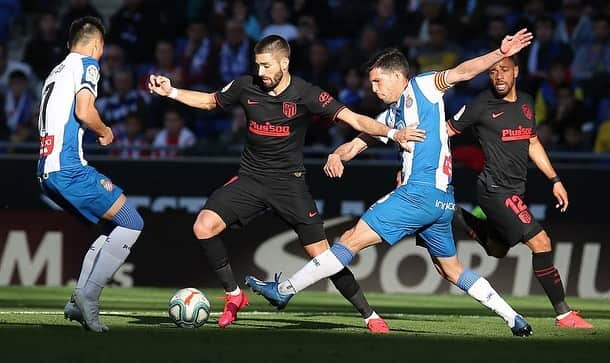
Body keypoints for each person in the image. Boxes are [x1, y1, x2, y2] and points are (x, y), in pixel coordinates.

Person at [245, 29, 536, 336]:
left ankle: (285, 290)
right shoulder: (394, 113)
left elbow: (462, 72)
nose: (373, 89)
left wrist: (500, 53)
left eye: (377, 81)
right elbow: (364, 138)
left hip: (418, 194)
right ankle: (512, 317)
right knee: (451, 270)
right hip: (442, 201)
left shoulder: (424, 86)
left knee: (350, 239)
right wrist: (339, 154)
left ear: (398, 76)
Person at [147, 35, 422, 333]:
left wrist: (393, 134)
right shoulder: (245, 85)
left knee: (324, 256)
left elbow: (353, 119)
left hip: (289, 186)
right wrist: (171, 91)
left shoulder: (306, 93)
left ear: (284, 63)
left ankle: (370, 316)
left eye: (266, 66)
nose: (261, 72)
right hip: (251, 179)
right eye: (258, 66)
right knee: (203, 226)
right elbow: (210, 101)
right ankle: (234, 296)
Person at [445, 56, 593, 328]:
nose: (498, 76)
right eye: (492, 71)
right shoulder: (480, 105)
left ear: (516, 71)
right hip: (495, 189)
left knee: (498, 249)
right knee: (542, 242)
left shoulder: (526, 102)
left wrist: (555, 179)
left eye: (504, 70)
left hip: (515, 190)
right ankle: (564, 314)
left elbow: (533, 142)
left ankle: (452, 212)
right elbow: (445, 132)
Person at [37, 17, 144, 332]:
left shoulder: (54, 73)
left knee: (109, 228)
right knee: (132, 222)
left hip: (45, 169)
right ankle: (90, 296)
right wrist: (104, 130)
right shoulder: (87, 65)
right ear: (97, 45)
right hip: (68, 167)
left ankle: (77, 301)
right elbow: (85, 111)